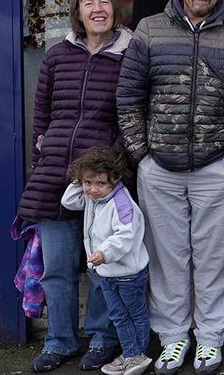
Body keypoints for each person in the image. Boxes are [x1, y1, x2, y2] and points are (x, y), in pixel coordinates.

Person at [116, 0, 224, 375]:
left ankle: (210, 340)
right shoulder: (150, 29)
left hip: (218, 167)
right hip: (158, 168)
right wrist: (141, 154)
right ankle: (173, 338)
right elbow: (129, 97)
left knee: (217, 258)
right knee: (166, 258)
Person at [20, 0, 130, 373]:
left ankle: (102, 339)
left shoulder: (128, 56)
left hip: (103, 181)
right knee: (57, 268)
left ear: (114, 10)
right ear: (78, 11)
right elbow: (42, 115)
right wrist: (44, 150)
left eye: (104, 1)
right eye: (89, 2)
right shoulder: (56, 57)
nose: (98, 8)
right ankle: (60, 341)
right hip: (54, 178)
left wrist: (111, 164)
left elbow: (129, 117)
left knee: (102, 268)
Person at [60, 147, 152, 375]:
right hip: (107, 272)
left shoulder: (121, 203)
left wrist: (103, 253)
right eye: (88, 182)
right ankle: (132, 354)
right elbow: (68, 201)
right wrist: (78, 181)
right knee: (119, 315)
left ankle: (135, 355)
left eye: (100, 183)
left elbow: (126, 235)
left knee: (132, 314)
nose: (92, 189)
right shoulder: (95, 197)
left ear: (115, 179)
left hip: (127, 273)